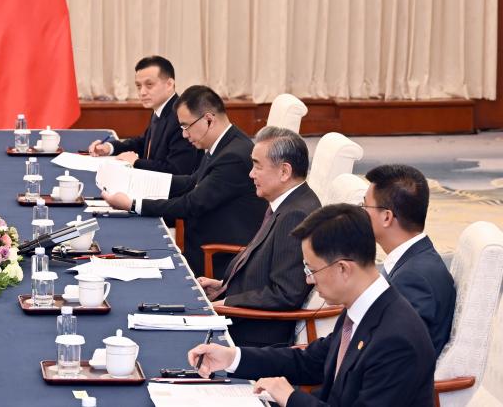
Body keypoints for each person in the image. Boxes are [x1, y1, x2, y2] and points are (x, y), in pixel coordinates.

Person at [188, 204, 436, 407]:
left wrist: (291, 398)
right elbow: (309, 361)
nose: (308, 280)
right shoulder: (361, 309)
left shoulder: (396, 339)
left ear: (343, 268)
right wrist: (232, 357)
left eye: (311, 269)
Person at [101, 85, 266, 276]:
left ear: (209, 120)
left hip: (217, 258)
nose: (184, 134)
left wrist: (133, 204)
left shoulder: (233, 157)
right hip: (199, 244)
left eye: (186, 126)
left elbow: (191, 204)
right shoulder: (224, 143)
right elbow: (191, 182)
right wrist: (135, 181)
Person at [196, 126, 321, 347]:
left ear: (284, 172)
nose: (251, 174)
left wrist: (227, 303)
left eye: (257, 166)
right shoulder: (287, 203)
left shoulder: (296, 215)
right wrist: (223, 286)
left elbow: (286, 293)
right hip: (241, 316)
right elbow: (266, 265)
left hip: (253, 336)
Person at [363, 164, 456, 356]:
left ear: (387, 217)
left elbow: (399, 356)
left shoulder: (413, 279)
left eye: (365, 206)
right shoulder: (414, 260)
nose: (361, 212)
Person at [86, 55, 201, 174]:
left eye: (149, 85)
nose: (142, 92)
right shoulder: (161, 108)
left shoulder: (181, 116)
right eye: (138, 86)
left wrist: (136, 162)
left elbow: (177, 170)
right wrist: (109, 148)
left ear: (169, 84)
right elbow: (143, 143)